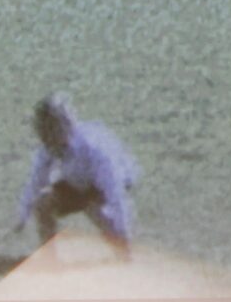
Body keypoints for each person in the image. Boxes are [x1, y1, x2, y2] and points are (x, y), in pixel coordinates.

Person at [15, 93, 139, 257]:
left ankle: (123, 253)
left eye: (51, 129)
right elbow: (35, 182)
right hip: (77, 181)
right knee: (43, 203)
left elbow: (115, 195)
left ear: (65, 125)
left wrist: (124, 234)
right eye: (43, 130)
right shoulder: (48, 147)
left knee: (95, 210)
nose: (46, 137)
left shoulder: (96, 150)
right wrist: (22, 217)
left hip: (112, 180)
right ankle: (49, 260)